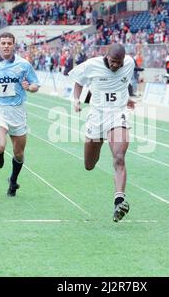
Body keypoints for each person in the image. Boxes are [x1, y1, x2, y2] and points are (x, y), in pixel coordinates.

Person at [69, 43, 135, 222]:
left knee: (119, 157)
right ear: (106, 56)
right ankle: (94, 155)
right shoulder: (91, 65)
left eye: (119, 62)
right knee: (89, 164)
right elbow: (78, 81)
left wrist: (127, 99)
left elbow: (121, 85)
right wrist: (76, 99)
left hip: (117, 115)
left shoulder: (129, 63)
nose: (116, 65)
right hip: (96, 117)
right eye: (113, 61)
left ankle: (119, 199)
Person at [0, 32, 40, 196]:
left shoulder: (24, 65)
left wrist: (29, 87)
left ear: (14, 45)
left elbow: (35, 85)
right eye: (3, 43)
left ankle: (13, 180)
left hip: (17, 112)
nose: (6, 46)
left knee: (19, 154)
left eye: (9, 43)